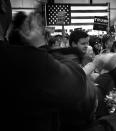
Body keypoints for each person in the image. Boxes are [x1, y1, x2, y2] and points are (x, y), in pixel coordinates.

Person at [1, 2, 98, 131]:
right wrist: (40, 47)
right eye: (83, 43)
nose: (86, 46)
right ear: (3, 7)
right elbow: (75, 86)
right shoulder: (25, 60)